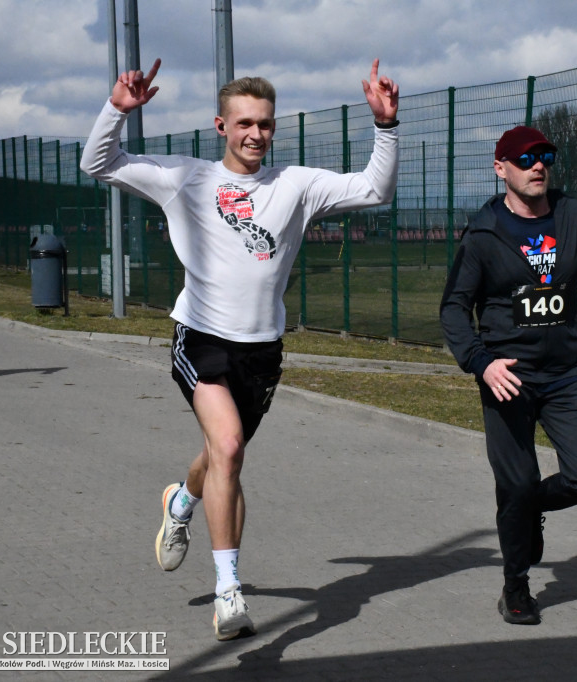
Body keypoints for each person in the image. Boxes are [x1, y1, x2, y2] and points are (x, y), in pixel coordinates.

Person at [80, 58, 399, 641]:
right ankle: (230, 594)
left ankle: (182, 500)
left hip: (261, 351)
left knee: (221, 455)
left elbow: (375, 189)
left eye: (267, 124)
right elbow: (98, 163)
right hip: (200, 336)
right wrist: (117, 111)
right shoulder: (186, 177)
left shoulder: (295, 186)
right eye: (245, 123)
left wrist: (386, 127)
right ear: (221, 126)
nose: (256, 134)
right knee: (227, 445)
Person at [439, 126, 577, 625]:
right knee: (513, 484)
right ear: (501, 168)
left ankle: (527, 506)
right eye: (524, 159)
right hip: (508, 378)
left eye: (545, 157)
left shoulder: (573, 217)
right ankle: (516, 586)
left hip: (564, 375)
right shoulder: (483, 233)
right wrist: (481, 362)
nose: (538, 166)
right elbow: (454, 309)